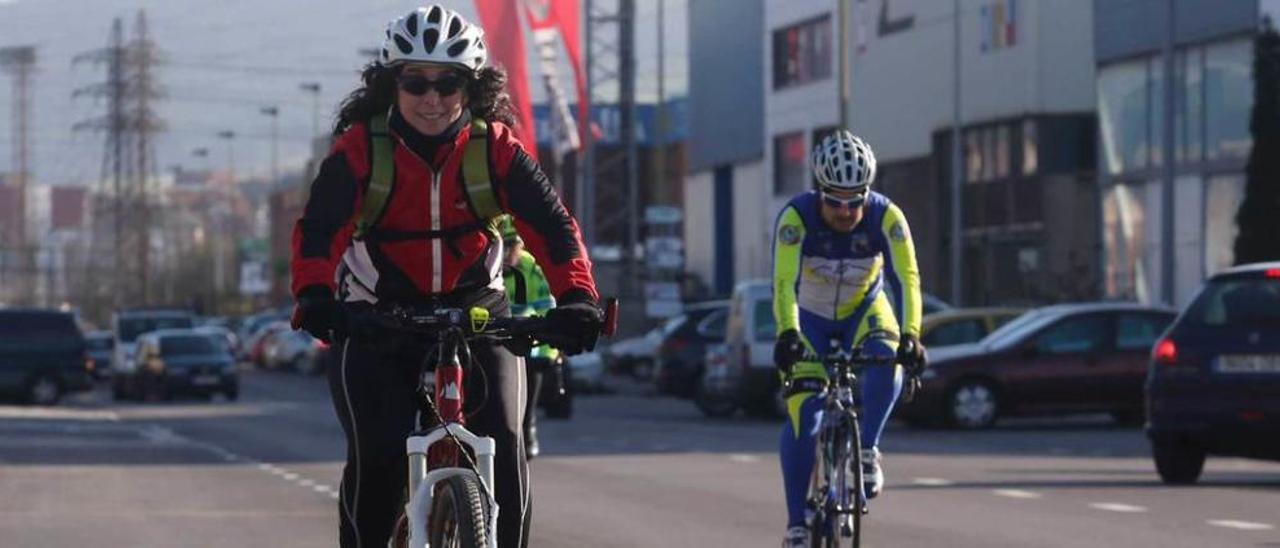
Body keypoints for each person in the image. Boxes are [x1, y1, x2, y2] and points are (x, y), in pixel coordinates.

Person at [289, 6, 602, 547]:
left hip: (478, 311)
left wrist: (578, 298)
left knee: (505, 444)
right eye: (416, 82)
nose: (432, 98)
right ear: (393, 86)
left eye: (448, 83)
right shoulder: (363, 151)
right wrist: (316, 296)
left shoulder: (496, 149)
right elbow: (319, 231)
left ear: (469, 88)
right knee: (380, 456)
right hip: (377, 315)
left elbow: (554, 230)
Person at [772, 131, 927, 547]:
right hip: (811, 317)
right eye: (835, 200)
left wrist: (912, 336)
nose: (845, 211)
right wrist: (788, 332)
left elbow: (907, 279)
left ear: (868, 192)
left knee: (889, 357)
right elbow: (783, 283)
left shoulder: (887, 217)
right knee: (805, 414)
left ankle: (867, 450)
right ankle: (796, 525)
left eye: (855, 200)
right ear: (818, 190)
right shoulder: (796, 218)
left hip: (864, 309)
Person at [499, 216, 558, 460]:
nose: (504, 255)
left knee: (533, 369)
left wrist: (548, 353)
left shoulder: (531, 269)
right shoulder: (477, 264)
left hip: (522, 338)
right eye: (499, 246)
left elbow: (548, 310)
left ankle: (528, 425)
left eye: (509, 247)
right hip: (484, 334)